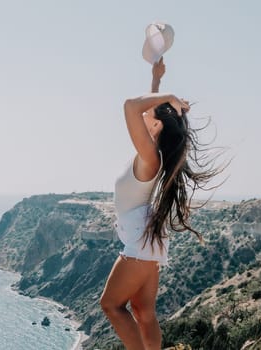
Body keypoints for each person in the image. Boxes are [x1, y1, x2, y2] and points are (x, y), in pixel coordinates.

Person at [99, 57, 222, 350]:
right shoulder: (153, 153)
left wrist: (166, 96)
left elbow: (131, 105)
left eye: (151, 113)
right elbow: (143, 112)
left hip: (141, 241)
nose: (143, 115)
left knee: (111, 305)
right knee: (144, 313)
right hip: (148, 238)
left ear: (155, 124)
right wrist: (156, 80)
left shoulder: (151, 156)